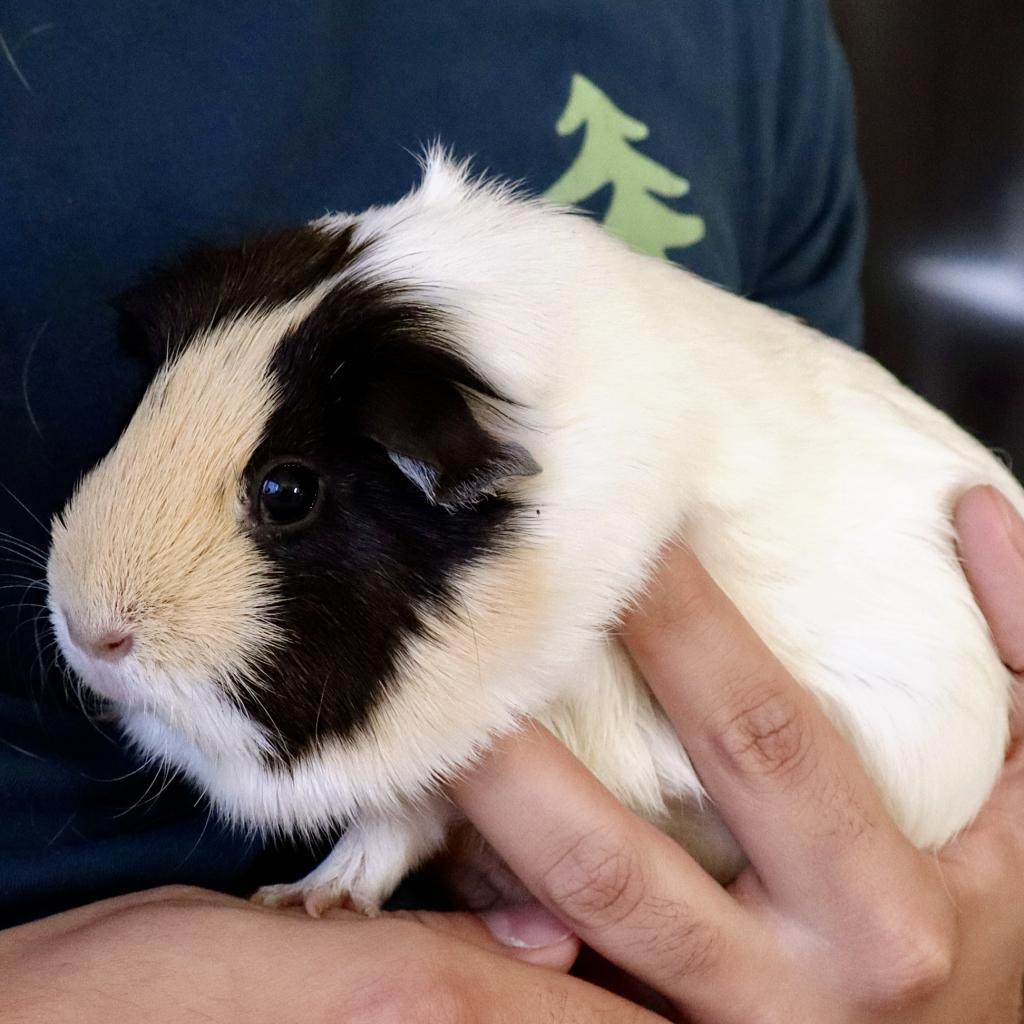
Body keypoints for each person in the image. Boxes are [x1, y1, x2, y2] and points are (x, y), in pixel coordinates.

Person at [2, 1, 1022, 1020]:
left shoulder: (738, 32)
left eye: (283, 497)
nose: (97, 610)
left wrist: (972, 964)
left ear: (445, 468)